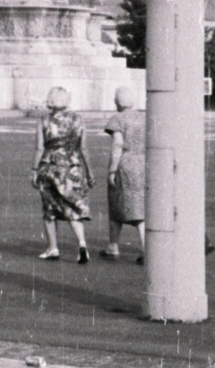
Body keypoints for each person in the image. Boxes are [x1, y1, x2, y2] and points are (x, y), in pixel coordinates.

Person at [32, 86, 93, 263]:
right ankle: (82, 244)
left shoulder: (43, 120)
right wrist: (89, 172)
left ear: (50, 100)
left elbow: (39, 148)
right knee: (73, 208)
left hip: (50, 167)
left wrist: (33, 170)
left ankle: (53, 248)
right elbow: (84, 148)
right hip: (73, 167)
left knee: (50, 209)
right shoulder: (78, 119)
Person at [101, 86, 145, 261]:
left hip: (125, 164)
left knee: (116, 203)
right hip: (143, 164)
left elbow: (118, 145)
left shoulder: (116, 119)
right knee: (140, 205)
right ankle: (144, 248)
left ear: (117, 102)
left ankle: (114, 245)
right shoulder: (144, 118)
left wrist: (112, 169)